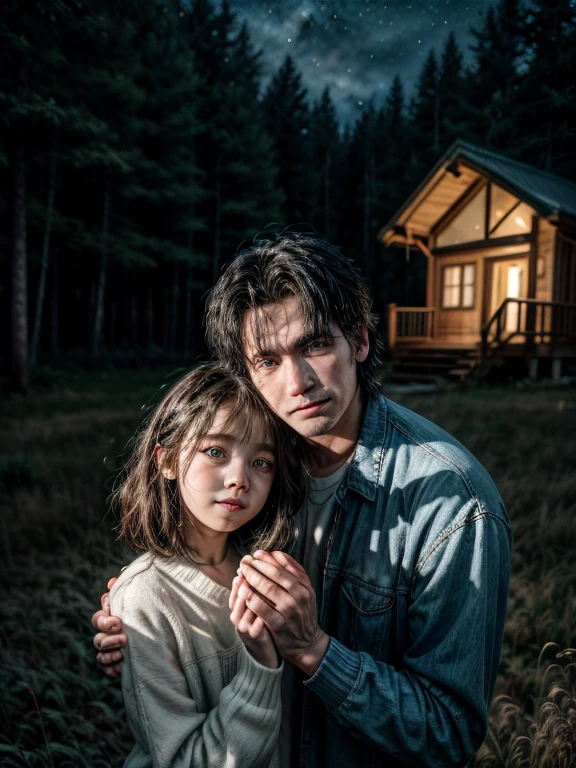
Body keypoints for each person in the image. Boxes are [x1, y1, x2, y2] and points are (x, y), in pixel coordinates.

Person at [93, 233, 511, 768]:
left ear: (358, 340)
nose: (298, 383)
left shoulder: (455, 506)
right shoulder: (254, 469)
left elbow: (449, 732)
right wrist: (145, 632)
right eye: (267, 360)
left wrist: (314, 650)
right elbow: (193, 588)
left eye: (314, 345)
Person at [105, 362, 304, 768]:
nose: (239, 478)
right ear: (166, 460)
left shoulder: (270, 574)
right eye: (215, 451)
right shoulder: (144, 598)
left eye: (261, 462)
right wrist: (260, 667)